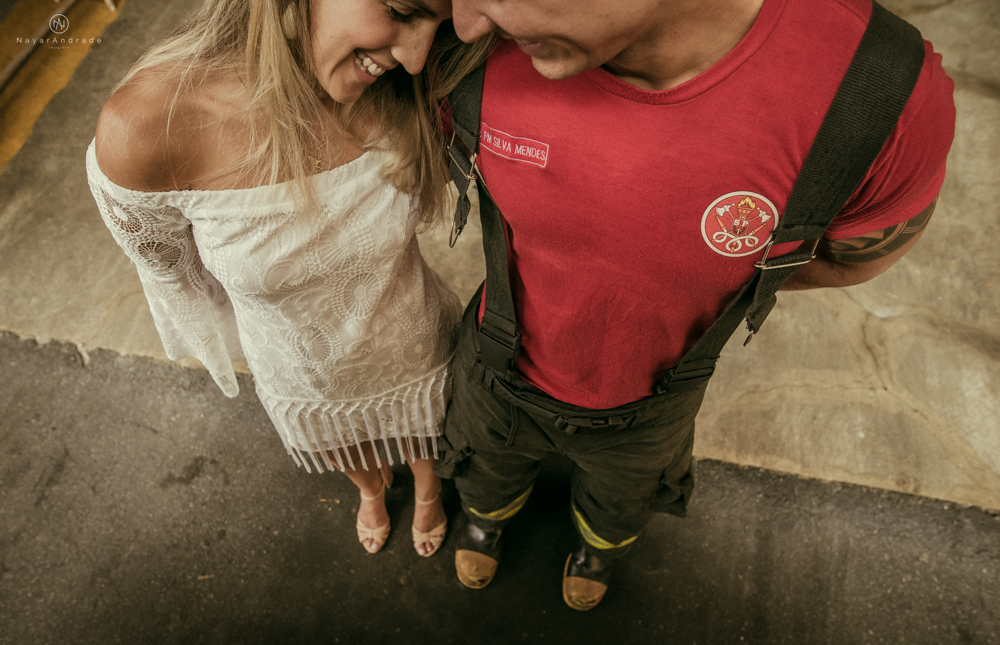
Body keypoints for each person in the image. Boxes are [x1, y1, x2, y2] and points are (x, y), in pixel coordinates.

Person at [437, 0, 956, 609]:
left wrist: (690, 271)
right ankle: (487, 520)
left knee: (620, 503)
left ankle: (596, 549)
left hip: (653, 400)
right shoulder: (468, 49)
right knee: (485, 470)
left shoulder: (876, 87)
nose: (465, 23)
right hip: (495, 368)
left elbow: (853, 258)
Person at [86, 0, 491, 557]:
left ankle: (426, 492)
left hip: (413, 336)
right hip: (302, 364)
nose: (417, 59)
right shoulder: (149, 128)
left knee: (426, 432)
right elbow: (174, 275)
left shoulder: (413, 83)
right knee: (346, 444)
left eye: (437, 26)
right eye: (401, 9)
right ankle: (371, 489)